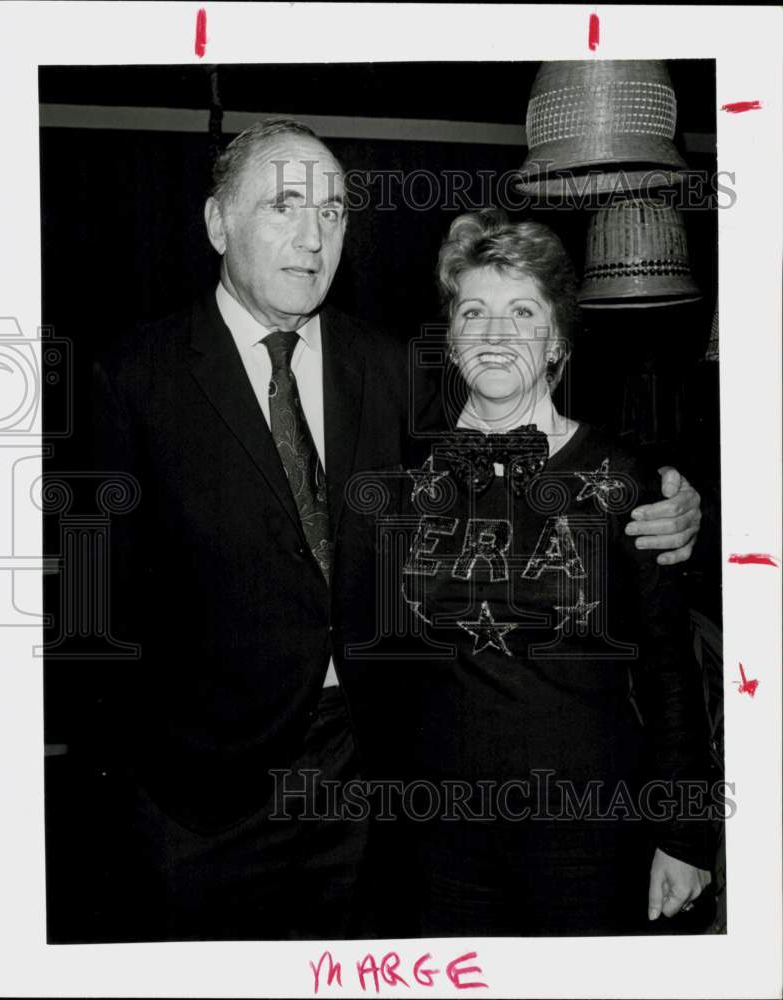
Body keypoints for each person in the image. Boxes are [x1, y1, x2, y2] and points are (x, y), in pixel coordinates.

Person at [91, 121, 703, 941]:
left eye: (336, 210)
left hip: (372, 791)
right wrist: (140, 786)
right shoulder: (132, 376)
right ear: (216, 223)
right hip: (205, 804)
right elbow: (101, 616)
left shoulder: (380, 367)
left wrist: (682, 499)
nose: (314, 237)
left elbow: (535, 441)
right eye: (286, 206)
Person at [361, 210, 713, 937]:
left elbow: (671, 671)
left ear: (557, 339)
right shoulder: (401, 472)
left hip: (589, 833)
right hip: (436, 837)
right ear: (451, 337)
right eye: (474, 311)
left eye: (522, 312)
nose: (495, 334)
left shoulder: (622, 477)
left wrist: (684, 832)